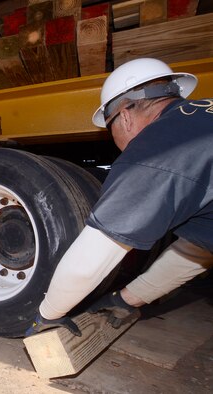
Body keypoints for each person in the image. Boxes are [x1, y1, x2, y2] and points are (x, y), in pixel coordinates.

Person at [26, 58, 213, 336]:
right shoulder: (200, 120)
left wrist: (48, 313)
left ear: (124, 116)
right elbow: (201, 247)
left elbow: (93, 256)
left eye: (109, 129)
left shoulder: (157, 148)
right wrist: (126, 298)